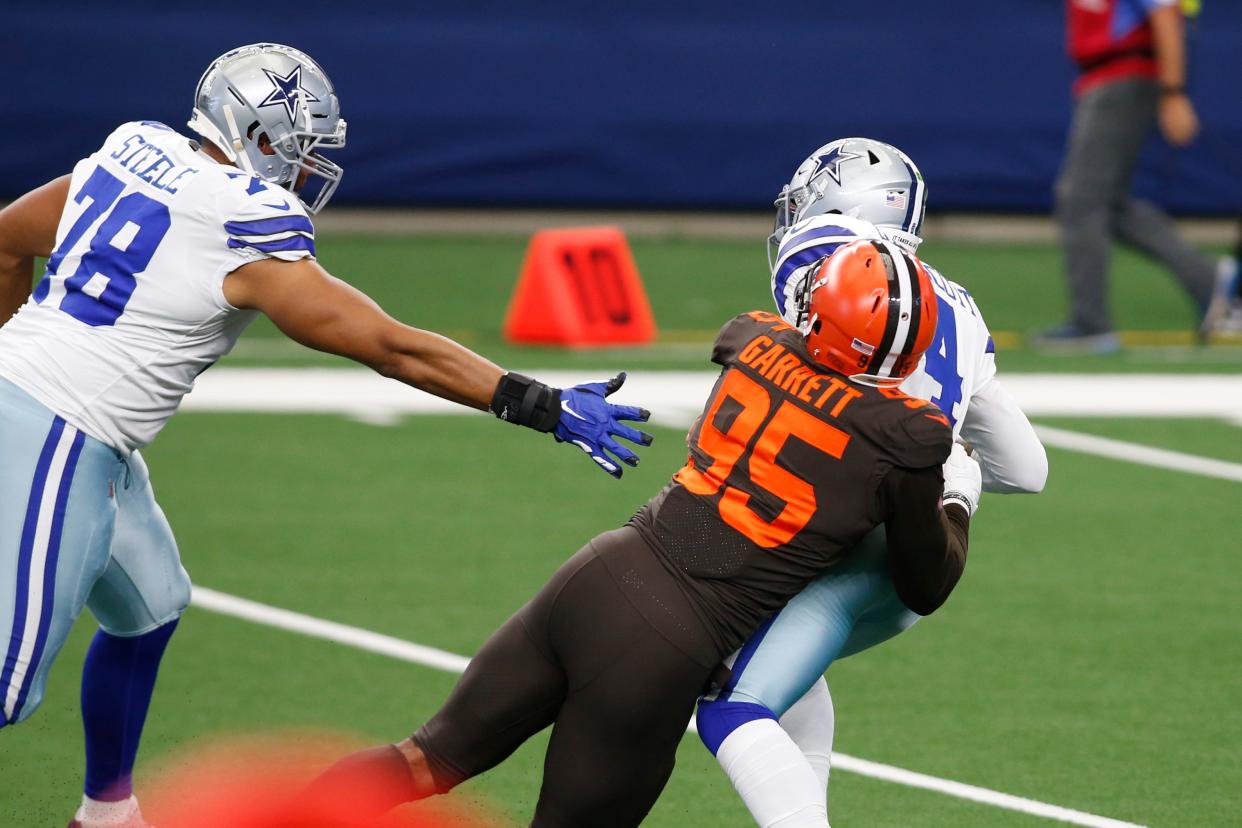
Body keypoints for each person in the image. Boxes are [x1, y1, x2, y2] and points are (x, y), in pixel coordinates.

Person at [0, 43, 652, 828]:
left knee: (152, 605)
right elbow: (387, 345)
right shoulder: (245, 222)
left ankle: (107, 815)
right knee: (7, 690)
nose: (308, 166)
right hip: (56, 431)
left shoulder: (137, 151)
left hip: (68, 425)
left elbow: (8, 239)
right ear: (259, 134)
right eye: (299, 146)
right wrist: (536, 403)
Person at [304, 239, 983, 828]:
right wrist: (957, 495)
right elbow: (925, 582)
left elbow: (772, 349)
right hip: (664, 644)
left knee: (423, 760)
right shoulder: (903, 441)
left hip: (599, 574)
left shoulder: (752, 341)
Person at [695, 138, 1048, 827]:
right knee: (789, 679)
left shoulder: (833, 249)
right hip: (920, 554)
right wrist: (952, 469)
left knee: (727, 699)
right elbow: (1027, 470)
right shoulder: (958, 306)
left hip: (834, 543)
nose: (796, 217)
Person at [1034, 0, 1228, 351]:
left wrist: (1174, 93)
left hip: (1123, 77)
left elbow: (1166, 14)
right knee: (1111, 204)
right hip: (1107, 78)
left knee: (1080, 198)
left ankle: (1091, 323)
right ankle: (1211, 281)